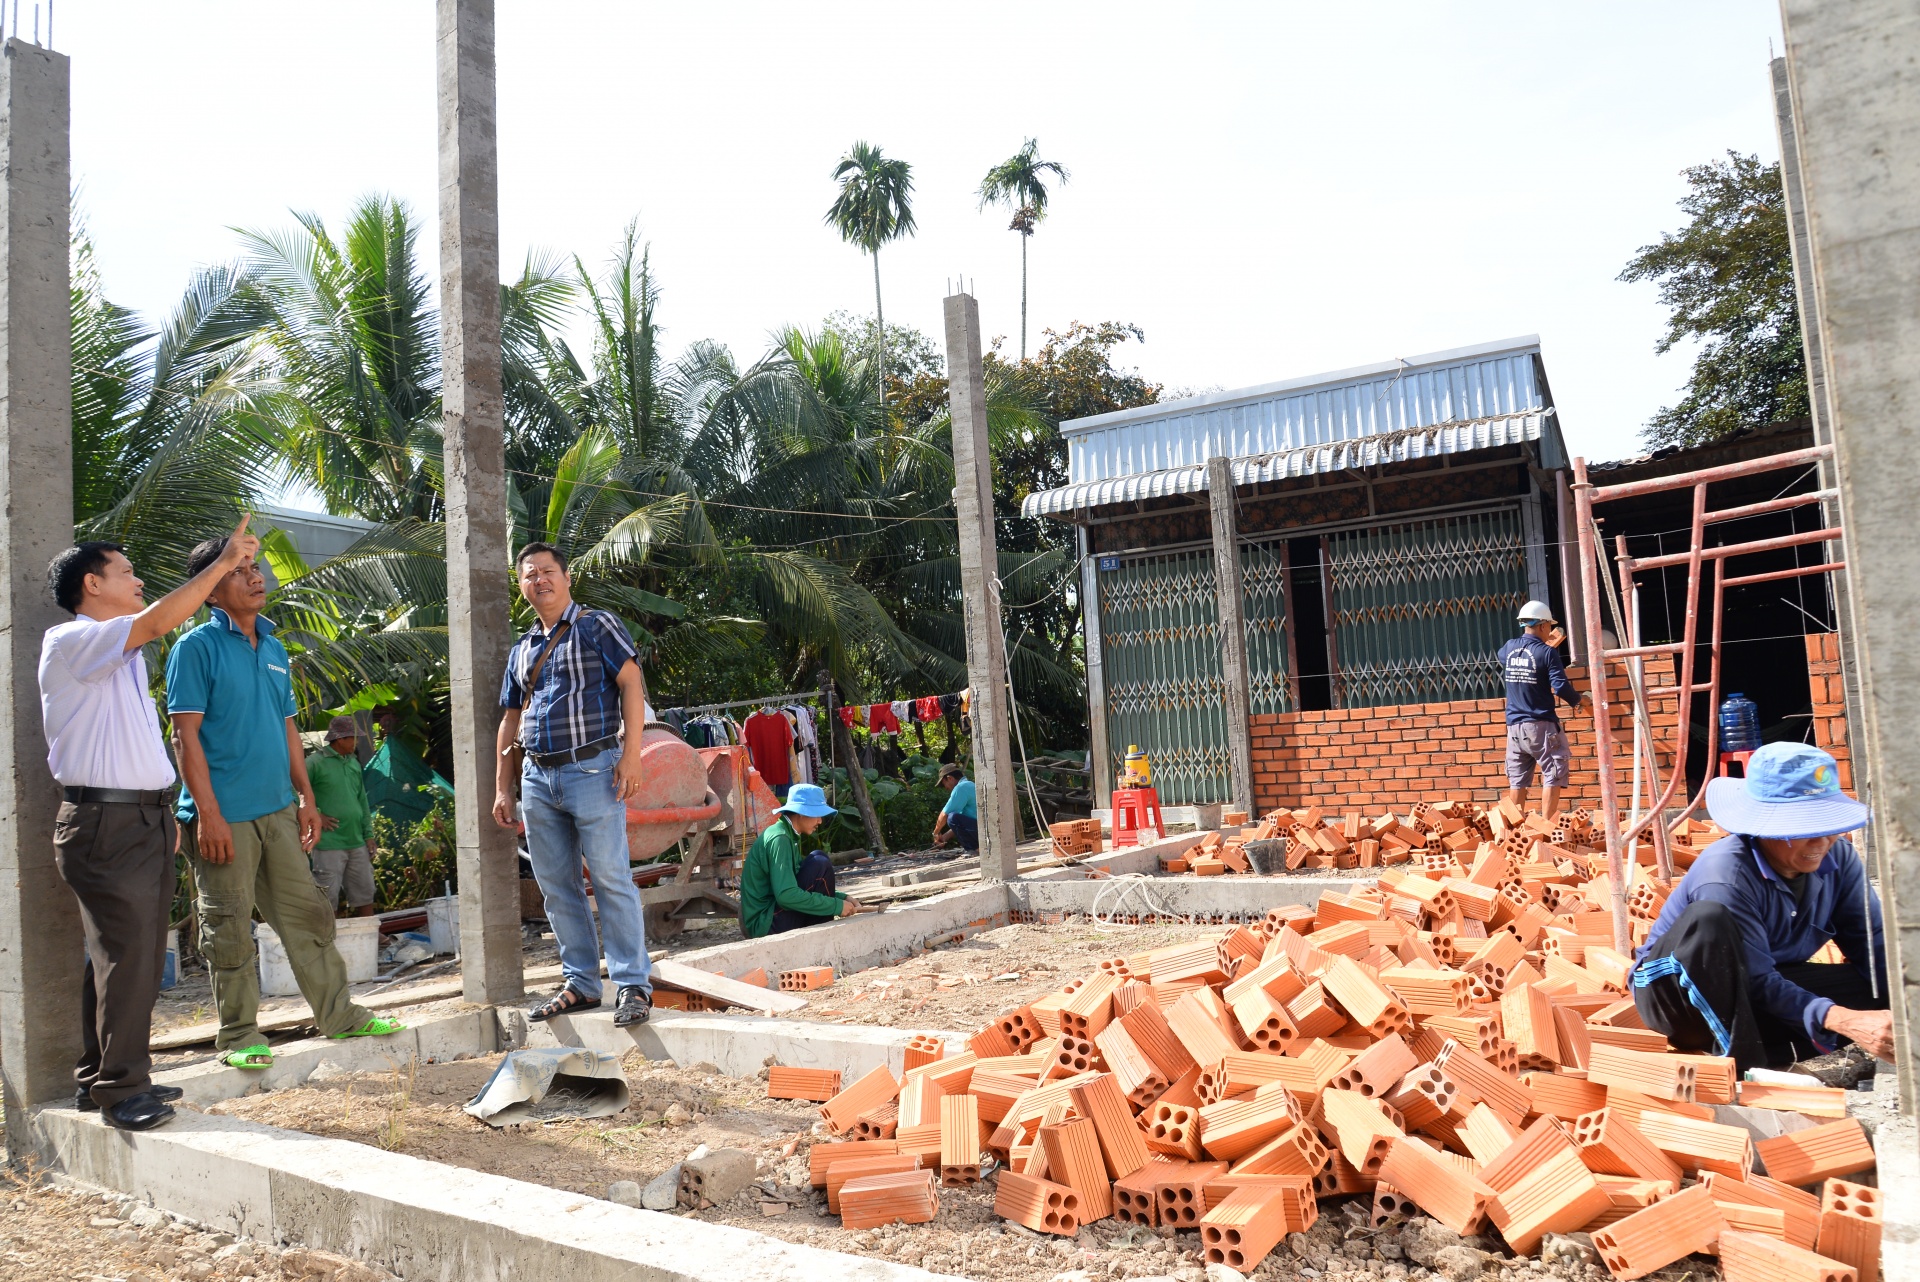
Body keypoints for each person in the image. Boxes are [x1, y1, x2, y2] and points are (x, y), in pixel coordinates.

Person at [37, 516, 261, 1130]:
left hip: (139, 820)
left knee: (117, 957)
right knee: (130, 958)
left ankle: (98, 1079)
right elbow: (161, 618)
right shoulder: (72, 639)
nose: (138, 580)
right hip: (107, 821)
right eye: (127, 572)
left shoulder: (121, 650)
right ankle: (122, 1090)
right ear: (92, 584)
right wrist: (223, 563)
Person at [168, 534, 405, 1071]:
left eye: (256, 568)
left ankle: (340, 1016)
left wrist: (306, 798)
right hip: (221, 817)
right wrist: (207, 814)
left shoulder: (274, 649)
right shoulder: (195, 648)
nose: (256, 577)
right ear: (208, 589)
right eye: (238, 570)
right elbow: (185, 737)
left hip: (278, 811)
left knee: (310, 916)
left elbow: (289, 728)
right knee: (226, 926)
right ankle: (239, 1035)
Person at [1633, 742, 1888, 1071]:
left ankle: (1774, 1055)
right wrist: (1840, 1019)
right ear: (1765, 827)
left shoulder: (1838, 859)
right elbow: (1757, 979)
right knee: (1708, 919)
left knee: (1888, 986)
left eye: (1827, 827)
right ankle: (1745, 1070)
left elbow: (1873, 942)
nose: (1822, 841)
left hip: (1755, 985)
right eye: (1805, 829)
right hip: (1680, 996)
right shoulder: (1726, 875)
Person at [492, 542, 653, 1026]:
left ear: (566, 578)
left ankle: (632, 986)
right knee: (557, 887)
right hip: (537, 777)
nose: (538, 580)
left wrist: (632, 756)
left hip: (593, 769)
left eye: (547, 571)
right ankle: (582, 984)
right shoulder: (522, 650)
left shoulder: (595, 625)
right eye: (528, 574)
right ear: (520, 585)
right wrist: (504, 786)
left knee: (609, 878)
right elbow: (509, 719)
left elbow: (631, 684)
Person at [1496, 600, 1589, 821]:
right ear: (1543, 626)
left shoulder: (1509, 648)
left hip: (1514, 729)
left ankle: (1514, 830)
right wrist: (1580, 701)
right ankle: (1546, 829)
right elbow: (1560, 686)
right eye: (1548, 626)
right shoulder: (1547, 653)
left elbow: (1506, 658)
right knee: (1553, 774)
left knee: (1517, 780)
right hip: (1541, 726)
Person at [739, 783, 867, 937]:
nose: (820, 821)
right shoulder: (780, 839)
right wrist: (836, 906)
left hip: (770, 917)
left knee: (819, 857)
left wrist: (842, 897)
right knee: (820, 863)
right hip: (765, 924)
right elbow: (786, 896)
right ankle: (823, 935)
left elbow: (798, 880)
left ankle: (823, 930)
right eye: (817, 814)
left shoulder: (787, 834)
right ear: (800, 812)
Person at [307, 715, 378, 918]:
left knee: (365, 889)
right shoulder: (314, 762)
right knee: (327, 894)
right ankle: (330, 939)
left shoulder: (353, 762)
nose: (356, 742)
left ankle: (371, 932)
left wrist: (369, 835)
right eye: (353, 738)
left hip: (356, 841)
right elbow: (294, 791)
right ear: (340, 739)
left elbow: (361, 801)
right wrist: (316, 815)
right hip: (328, 842)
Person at [932, 763, 978, 851]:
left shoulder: (961, 788)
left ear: (950, 778)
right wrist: (944, 837)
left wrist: (936, 833)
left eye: (943, 783)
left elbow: (944, 815)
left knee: (952, 817)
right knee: (954, 818)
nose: (945, 788)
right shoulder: (970, 784)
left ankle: (973, 850)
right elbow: (962, 824)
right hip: (982, 828)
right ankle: (976, 849)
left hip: (980, 829)